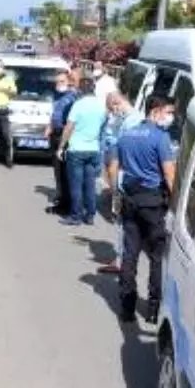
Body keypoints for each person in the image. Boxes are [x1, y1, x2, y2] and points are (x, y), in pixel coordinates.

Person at [110, 96, 177, 324]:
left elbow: (114, 165)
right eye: (169, 112)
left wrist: (115, 193)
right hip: (153, 203)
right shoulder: (160, 137)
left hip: (130, 200)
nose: (170, 117)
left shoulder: (126, 134)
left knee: (130, 254)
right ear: (156, 110)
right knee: (157, 258)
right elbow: (169, 174)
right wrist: (177, 203)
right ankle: (152, 309)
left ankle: (127, 306)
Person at [97, 92, 143, 273]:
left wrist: (114, 185)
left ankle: (124, 262)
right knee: (124, 222)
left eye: (113, 108)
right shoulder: (134, 119)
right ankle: (121, 259)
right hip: (132, 179)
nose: (114, 112)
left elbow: (122, 154)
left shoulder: (131, 122)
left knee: (124, 222)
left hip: (126, 179)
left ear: (118, 103)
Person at [56, 77, 105, 225]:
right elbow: (102, 128)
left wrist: (61, 146)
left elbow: (69, 127)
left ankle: (76, 215)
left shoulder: (78, 105)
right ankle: (90, 214)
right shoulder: (101, 106)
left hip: (77, 149)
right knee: (90, 184)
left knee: (76, 184)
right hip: (93, 149)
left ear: (80, 90)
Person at [44, 71, 78, 214]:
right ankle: (61, 197)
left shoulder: (72, 98)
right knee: (58, 171)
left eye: (62, 82)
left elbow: (72, 121)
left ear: (69, 82)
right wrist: (49, 127)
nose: (58, 85)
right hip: (55, 133)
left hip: (65, 136)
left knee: (64, 172)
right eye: (57, 82)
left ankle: (66, 204)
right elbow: (55, 115)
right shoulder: (58, 97)